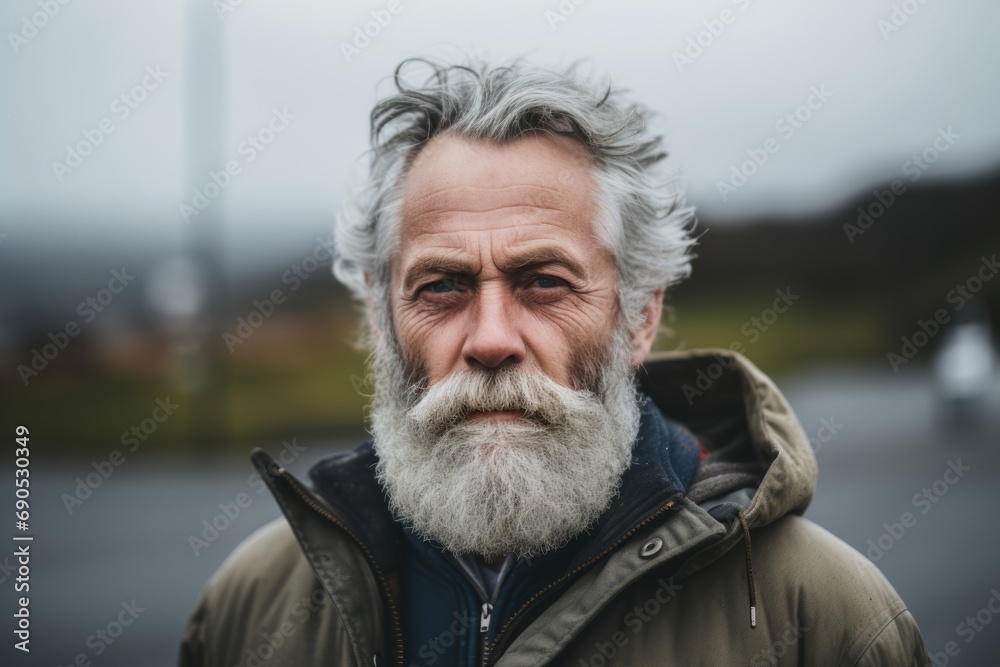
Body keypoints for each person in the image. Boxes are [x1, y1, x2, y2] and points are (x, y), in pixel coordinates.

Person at [180, 58, 930, 666]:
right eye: (442, 286)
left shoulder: (826, 620)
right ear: (380, 317)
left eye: (545, 282)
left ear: (640, 315)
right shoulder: (252, 605)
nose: (492, 337)